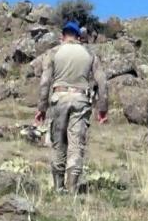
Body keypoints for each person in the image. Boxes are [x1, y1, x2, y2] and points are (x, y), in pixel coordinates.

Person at [35, 21, 109, 192]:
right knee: (76, 144)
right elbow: (102, 82)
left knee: (58, 142)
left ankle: (58, 187)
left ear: (62, 36)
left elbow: (45, 82)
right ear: (79, 37)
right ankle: (73, 188)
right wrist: (102, 109)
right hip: (81, 100)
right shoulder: (89, 54)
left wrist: (42, 108)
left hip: (58, 99)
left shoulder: (53, 52)